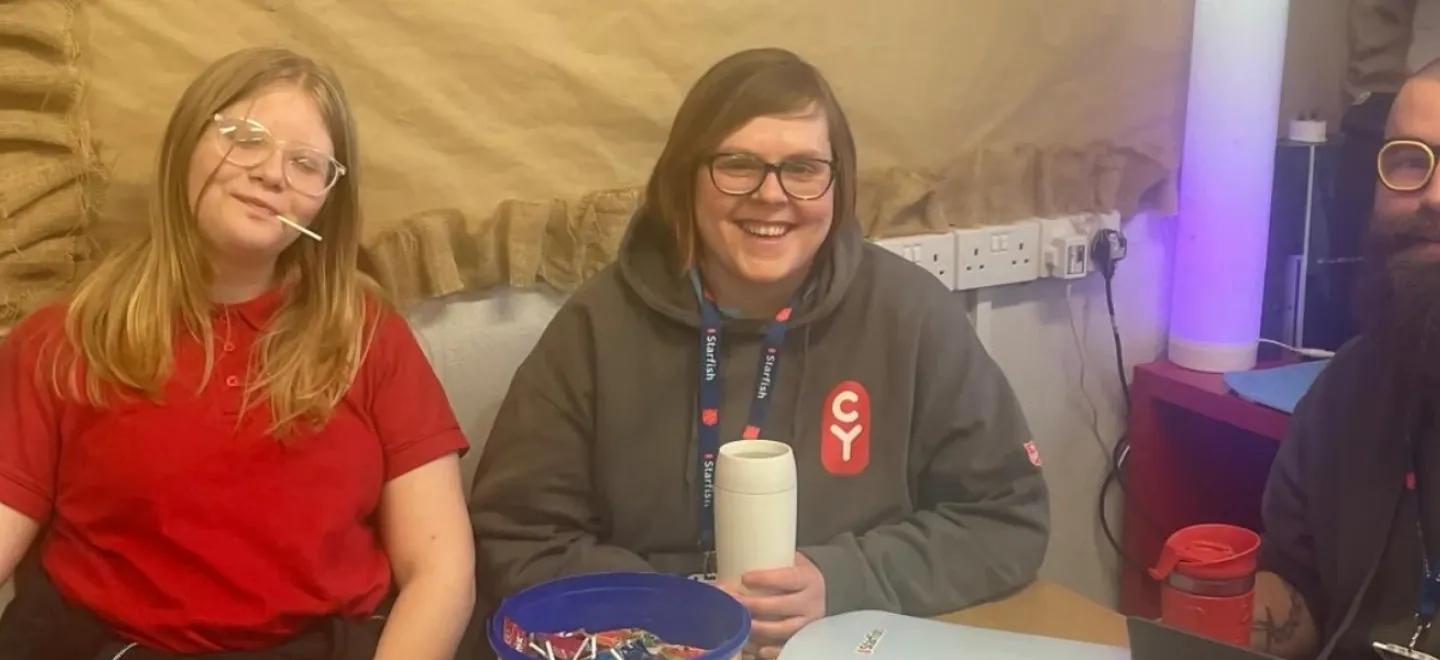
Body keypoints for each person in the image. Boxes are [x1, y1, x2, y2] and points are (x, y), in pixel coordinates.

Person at [469, 47, 1049, 658]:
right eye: (738, 164)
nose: (772, 195)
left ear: (839, 184)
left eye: (803, 168)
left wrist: (847, 580)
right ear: (684, 179)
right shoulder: (598, 325)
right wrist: (670, 607)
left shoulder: (912, 314)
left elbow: (1008, 518)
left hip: (845, 639)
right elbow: (515, 538)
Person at [0, 48, 474, 659]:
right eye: (246, 139)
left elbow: (440, 570)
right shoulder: (64, 337)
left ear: (326, 201)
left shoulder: (370, 338)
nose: (272, 175)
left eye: (306, 164)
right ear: (186, 144)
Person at [1252, 58, 1440, 660]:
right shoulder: (1350, 387)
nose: (1433, 197)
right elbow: (1301, 593)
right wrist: (1196, 618)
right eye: (1410, 160)